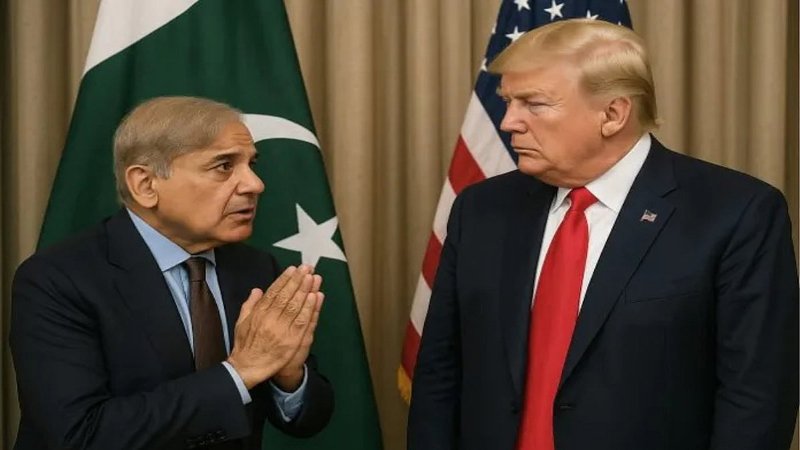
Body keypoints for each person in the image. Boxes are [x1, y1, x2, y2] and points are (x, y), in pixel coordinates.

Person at [408, 19, 798, 450]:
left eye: (533, 104)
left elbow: (756, 398)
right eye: (507, 102)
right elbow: (439, 373)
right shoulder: (481, 209)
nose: (509, 122)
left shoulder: (736, 213)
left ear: (613, 114)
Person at [10, 96, 334, 449]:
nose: (255, 184)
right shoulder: (57, 280)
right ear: (146, 185)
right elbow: (80, 436)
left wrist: (289, 377)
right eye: (224, 166)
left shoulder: (256, 269)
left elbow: (309, 420)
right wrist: (240, 372)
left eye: (251, 164)